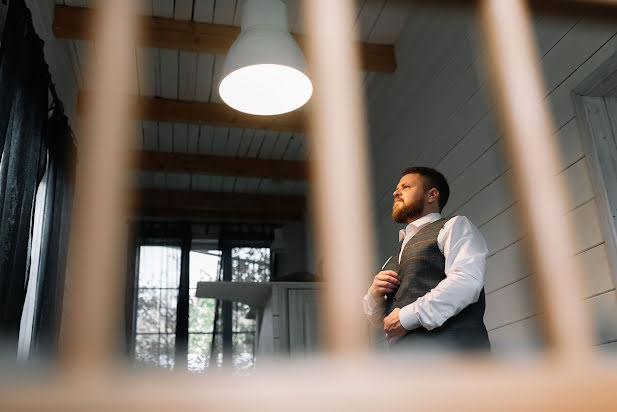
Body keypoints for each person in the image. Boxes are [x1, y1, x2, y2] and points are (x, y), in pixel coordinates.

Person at [363, 167, 490, 351]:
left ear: (432, 195)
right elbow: (378, 320)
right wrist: (374, 293)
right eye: (397, 188)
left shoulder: (454, 226)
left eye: (405, 186)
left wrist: (407, 317)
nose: (396, 192)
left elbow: (467, 281)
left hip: (457, 361)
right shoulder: (391, 260)